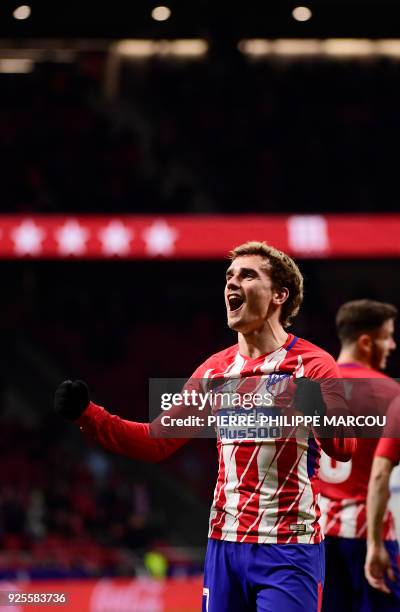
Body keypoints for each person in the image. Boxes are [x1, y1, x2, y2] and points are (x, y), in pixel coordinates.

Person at [54, 241, 355, 612]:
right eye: (229, 276)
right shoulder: (214, 371)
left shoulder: (315, 364)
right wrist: (89, 414)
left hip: (289, 549)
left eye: (247, 275)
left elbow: (344, 447)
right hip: (224, 547)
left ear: (280, 295)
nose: (232, 283)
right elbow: (156, 441)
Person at [319, 299, 400, 611]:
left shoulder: (309, 391)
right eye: (388, 336)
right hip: (369, 533)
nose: (392, 345)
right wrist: (377, 544)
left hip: (318, 535)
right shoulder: (391, 393)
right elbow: (380, 473)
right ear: (366, 341)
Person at [365, 397, 400, 598]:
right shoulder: (388, 390)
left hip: (326, 528)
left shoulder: (313, 390)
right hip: (374, 529)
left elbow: (380, 472)